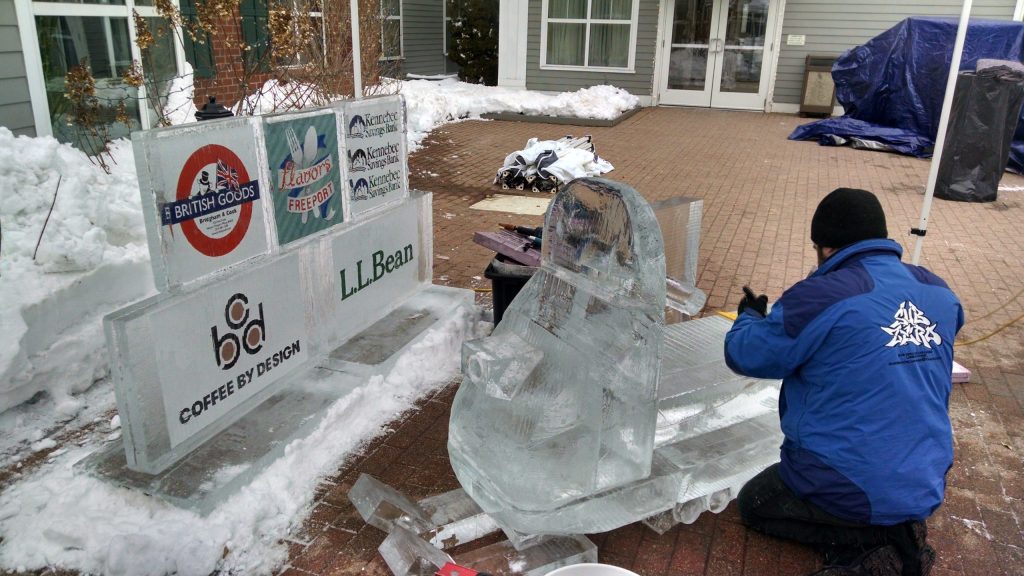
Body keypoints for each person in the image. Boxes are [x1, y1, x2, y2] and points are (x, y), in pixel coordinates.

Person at [724, 188, 964, 576]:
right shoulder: (939, 291)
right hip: (926, 475)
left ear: (825, 247)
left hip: (847, 481)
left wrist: (750, 316)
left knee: (755, 504)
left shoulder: (819, 296)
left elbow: (745, 354)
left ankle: (877, 546)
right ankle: (895, 522)